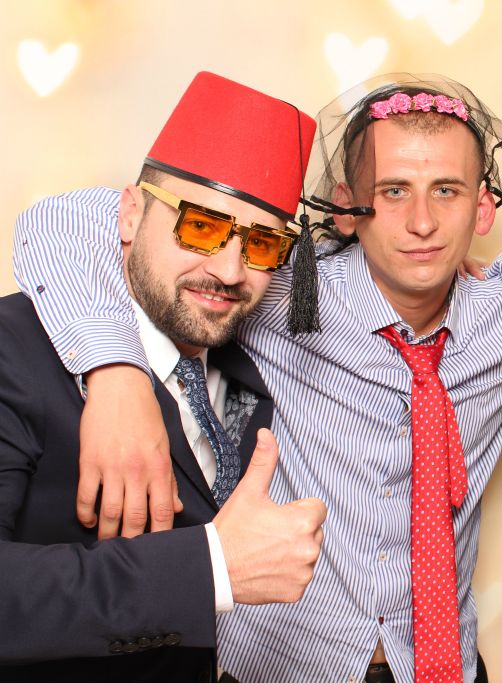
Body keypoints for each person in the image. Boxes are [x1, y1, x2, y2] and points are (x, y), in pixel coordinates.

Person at [13, 74, 502, 683]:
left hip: (444, 664)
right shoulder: (273, 281)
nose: (422, 222)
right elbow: (73, 222)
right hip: (282, 664)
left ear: (483, 208)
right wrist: (116, 371)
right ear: (349, 207)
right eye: (393, 192)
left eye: (446, 192)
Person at [0, 71, 327, 681]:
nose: (229, 271)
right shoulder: (13, 351)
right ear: (128, 214)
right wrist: (212, 569)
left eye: (260, 246)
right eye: (200, 227)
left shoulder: (249, 360)